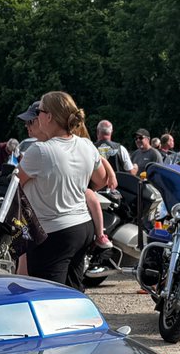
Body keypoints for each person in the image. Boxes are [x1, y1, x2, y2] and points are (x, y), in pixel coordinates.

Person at [17, 91, 110, 289]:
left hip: (53, 230)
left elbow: (16, 185)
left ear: (49, 116)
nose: (37, 117)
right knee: (74, 289)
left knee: (49, 294)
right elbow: (102, 180)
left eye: (39, 112)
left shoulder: (40, 150)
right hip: (82, 226)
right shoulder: (86, 144)